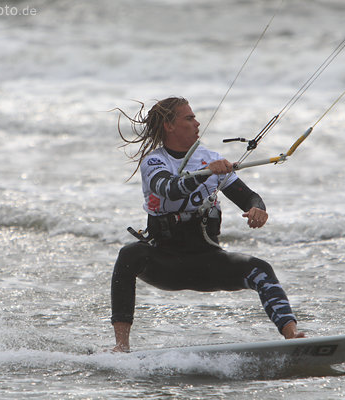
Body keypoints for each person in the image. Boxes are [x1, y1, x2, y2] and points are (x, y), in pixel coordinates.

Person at [111, 97, 305, 352]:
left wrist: (258, 209)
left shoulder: (210, 159)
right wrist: (208, 173)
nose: (197, 122)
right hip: (166, 262)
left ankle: (293, 337)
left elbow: (247, 196)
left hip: (208, 261)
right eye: (189, 118)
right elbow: (170, 190)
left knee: (261, 269)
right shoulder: (154, 161)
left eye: (194, 117)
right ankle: (121, 347)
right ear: (169, 126)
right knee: (128, 255)